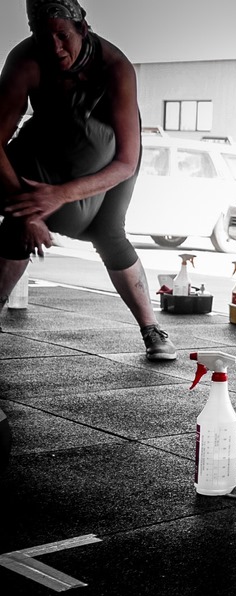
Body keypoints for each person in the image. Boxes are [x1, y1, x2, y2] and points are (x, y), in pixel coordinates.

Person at [0, 0, 176, 361]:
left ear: (82, 28)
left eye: (63, 35)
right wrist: (31, 212)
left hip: (113, 157)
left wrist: (60, 195)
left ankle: (151, 329)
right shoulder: (25, 61)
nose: (55, 47)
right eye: (43, 37)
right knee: (19, 217)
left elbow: (126, 162)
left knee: (108, 232)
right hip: (52, 139)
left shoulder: (115, 67)